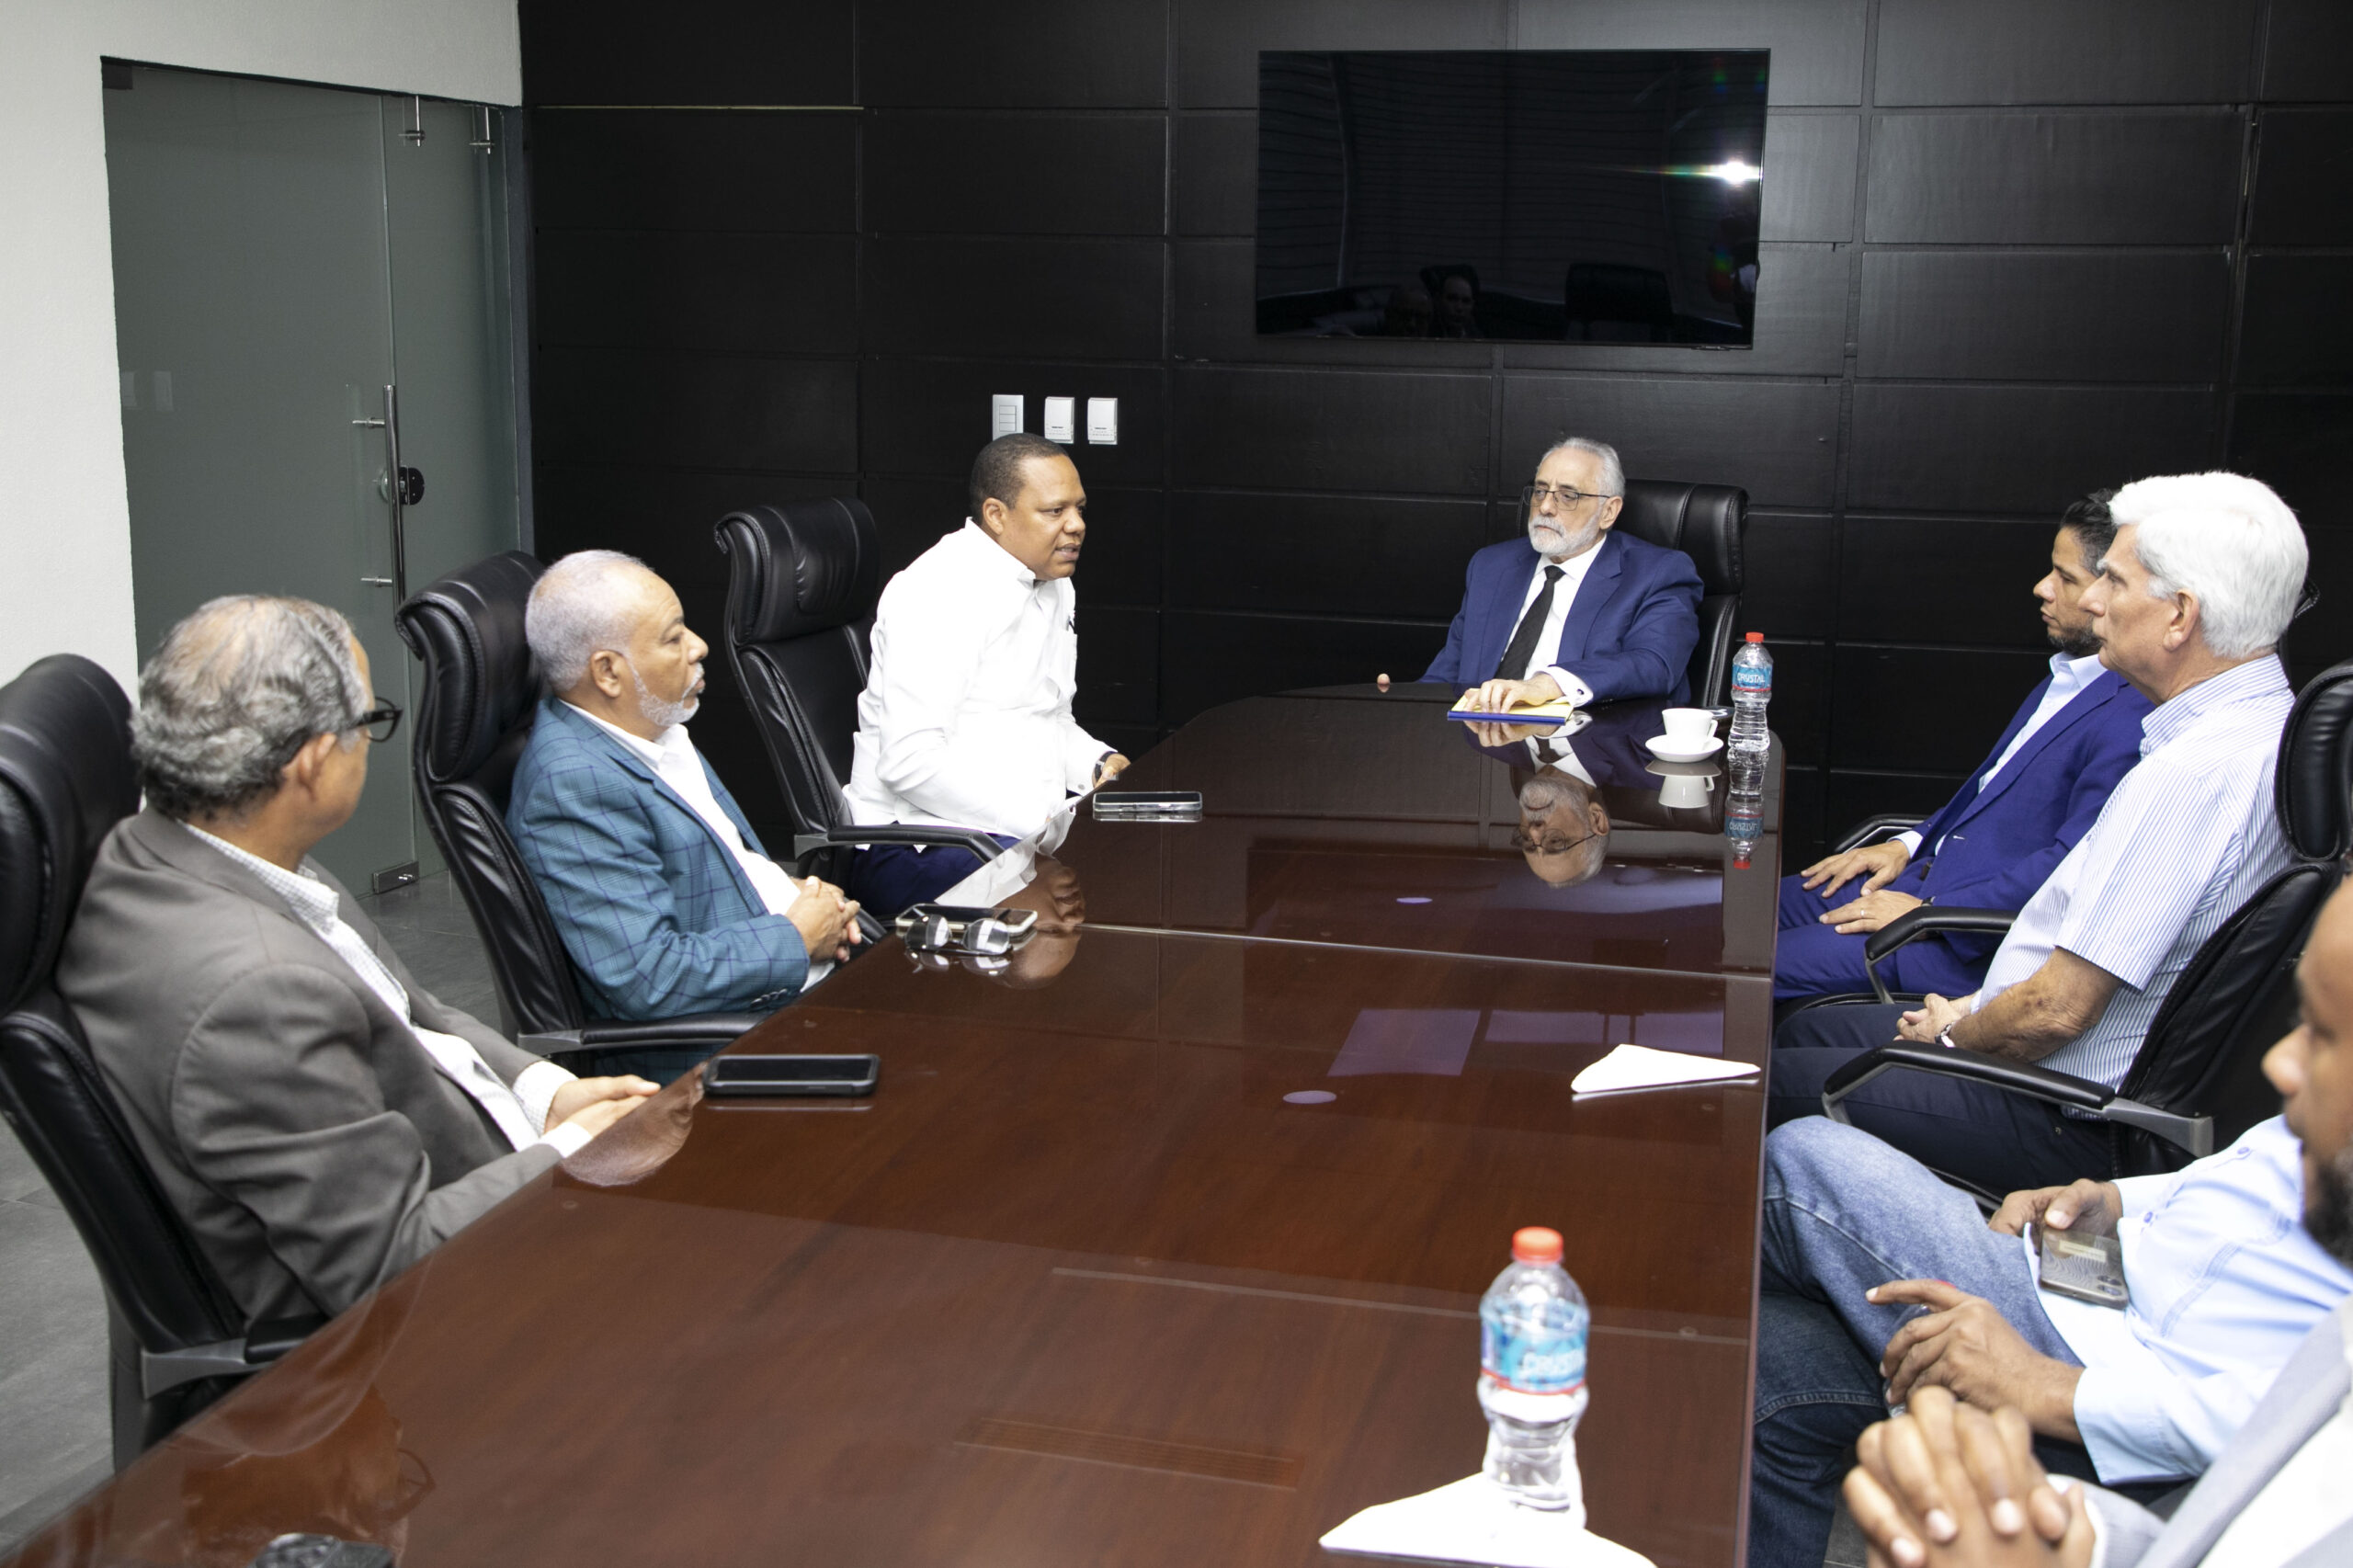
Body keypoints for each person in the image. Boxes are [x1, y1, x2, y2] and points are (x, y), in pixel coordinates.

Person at [56, 597, 658, 1323]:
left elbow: (410, 1013)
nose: (371, 741)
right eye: (370, 721)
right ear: (312, 763)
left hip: (491, 1174)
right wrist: (569, 1153)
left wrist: (543, 1093)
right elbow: (390, 1269)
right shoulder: (259, 994)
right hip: (460, 1303)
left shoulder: (205, 847)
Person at [1746, 870, 2353, 1568]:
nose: (2280, 1062)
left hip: (2110, 1381)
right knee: (1772, 1365)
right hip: (2101, 1286)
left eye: (2324, 1036)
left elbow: (2289, 1419)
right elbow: (2258, 1168)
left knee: (1805, 1164)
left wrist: (2056, 1392)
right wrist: (2116, 1201)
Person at [1769, 472, 2307, 1192]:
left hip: (2061, 1112)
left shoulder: (2195, 775)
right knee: (1805, 1033)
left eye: (2113, 581)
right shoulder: (2264, 730)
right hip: (2037, 1045)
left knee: (1766, 1087)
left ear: (2180, 615)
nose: (2093, 600)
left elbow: (2057, 1011)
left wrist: (1954, 1034)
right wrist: (1974, 1008)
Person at [1777, 494, 2152, 1003]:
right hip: (1919, 879)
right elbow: (1988, 796)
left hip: (1954, 939)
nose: (2042, 588)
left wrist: (1929, 912)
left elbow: (2068, 868)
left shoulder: (2133, 715)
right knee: (1733, 908)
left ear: (2112, 592)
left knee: (1747, 961)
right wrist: (1906, 844)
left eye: (2065, 578)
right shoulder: (2069, 674)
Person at [507, 551, 863, 1077]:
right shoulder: (573, 785)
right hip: (732, 1046)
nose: (699, 646)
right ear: (608, 672)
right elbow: (648, 977)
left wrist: (801, 896)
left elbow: (715, 863)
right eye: (673, 639)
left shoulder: (650, 726)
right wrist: (796, 936)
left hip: (802, 988)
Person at [841, 432, 1128, 916]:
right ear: (996, 515)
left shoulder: (1054, 583)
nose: (1076, 525)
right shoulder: (938, 591)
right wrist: (1037, 824)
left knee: (1128, 874)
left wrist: (1099, 763)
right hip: (916, 845)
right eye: (1054, 511)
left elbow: (1049, 716)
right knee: (1065, 909)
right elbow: (908, 762)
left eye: (1079, 509)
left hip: (1013, 834)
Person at [1419, 437, 1704, 711]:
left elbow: (1655, 664)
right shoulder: (1491, 566)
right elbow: (1447, 676)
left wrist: (1551, 683)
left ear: (1608, 511)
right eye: (1540, 491)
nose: (1545, 507)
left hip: (1591, 738)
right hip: (1482, 735)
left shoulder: (1657, 573)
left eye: (1568, 496)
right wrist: (1409, 709)